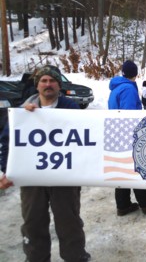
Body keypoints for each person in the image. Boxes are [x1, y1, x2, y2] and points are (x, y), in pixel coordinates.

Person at [0, 65, 91, 262]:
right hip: (33, 179)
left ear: (59, 85)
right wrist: (8, 170)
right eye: (43, 80)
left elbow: (87, 138)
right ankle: (36, 258)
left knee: (69, 222)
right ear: (37, 85)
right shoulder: (23, 112)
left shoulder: (71, 109)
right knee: (33, 223)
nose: (48, 84)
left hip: (64, 179)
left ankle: (76, 257)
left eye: (52, 80)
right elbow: (8, 141)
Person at [108, 60, 146, 215]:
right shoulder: (128, 89)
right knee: (137, 168)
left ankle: (123, 205)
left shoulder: (116, 88)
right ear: (136, 73)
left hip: (116, 133)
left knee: (122, 170)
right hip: (127, 134)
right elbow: (129, 115)